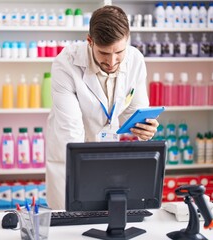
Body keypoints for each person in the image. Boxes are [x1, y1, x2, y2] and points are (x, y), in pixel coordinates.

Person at [46, 5, 160, 210]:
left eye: (119, 52)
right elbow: (71, 130)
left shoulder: (135, 60)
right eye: (104, 53)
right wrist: (94, 170)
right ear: (90, 41)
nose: (112, 61)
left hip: (110, 154)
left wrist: (145, 128)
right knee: (71, 221)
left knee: (109, 217)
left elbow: (133, 112)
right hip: (71, 155)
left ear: (128, 39)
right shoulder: (66, 64)